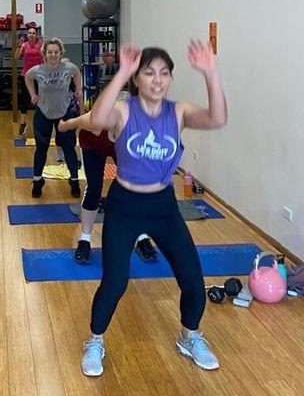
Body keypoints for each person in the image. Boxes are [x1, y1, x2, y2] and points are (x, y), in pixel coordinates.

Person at [59, 41, 227, 376]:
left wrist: (210, 72)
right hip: (125, 206)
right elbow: (97, 120)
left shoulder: (178, 112)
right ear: (138, 79)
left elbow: (217, 118)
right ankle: (95, 340)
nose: (157, 79)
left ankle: (189, 336)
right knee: (115, 282)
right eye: (149, 72)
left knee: (193, 279)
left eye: (164, 73)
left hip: (163, 206)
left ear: (171, 79)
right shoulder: (124, 111)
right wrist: (123, 70)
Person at [73, 127, 157, 265]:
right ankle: (84, 239)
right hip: (93, 141)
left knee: (134, 186)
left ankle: (142, 237)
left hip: (123, 140)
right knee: (94, 188)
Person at [24, 38, 83, 199]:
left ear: (61, 53)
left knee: (68, 147)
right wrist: (33, 95)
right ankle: (37, 181)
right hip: (43, 113)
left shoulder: (68, 68)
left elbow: (77, 72)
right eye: (50, 52)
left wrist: (78, 89)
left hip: (64, 114)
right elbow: (27, 77)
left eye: (56, 52)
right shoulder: (38, 70)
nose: (53, 55)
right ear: (44, 54)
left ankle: (74, 180)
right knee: (41, 148)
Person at [15, 26, 43, 136]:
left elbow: (46, 58)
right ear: (27, 35)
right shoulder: (24, 45)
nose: (31, 35)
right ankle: (23, 123)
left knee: (40, 100)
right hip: (26, 76)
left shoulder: (40, 45)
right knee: (24, 100)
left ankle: (41, 123)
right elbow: (16, 56)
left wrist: (43, 46)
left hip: (38, 76)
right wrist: (18, 45)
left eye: (33, 33)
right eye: (30, 33)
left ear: (36, 35)